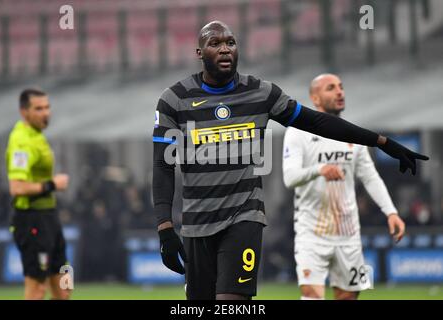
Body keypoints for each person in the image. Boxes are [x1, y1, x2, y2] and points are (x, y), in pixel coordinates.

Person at [152, 21, 428, 300]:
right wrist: (165, 228)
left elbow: (318, 122)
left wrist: (381, 141)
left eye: (230, 43)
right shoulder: (174, 100)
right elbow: (163, 166)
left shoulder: (261, 93)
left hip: (243, 217)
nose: (225, 49)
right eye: (215, 44)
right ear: (199, 52)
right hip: (197, 223)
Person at [283, 74, 407, 300]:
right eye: (331, 88)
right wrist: (319, 169)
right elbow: (290, 177)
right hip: (311, 232)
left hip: (348, 234)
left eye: (341, 87)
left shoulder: (353, 134)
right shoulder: (297, 132)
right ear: (315, 98)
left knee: (348, 297)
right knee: (311, 295)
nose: (340, 92)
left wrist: (391, 212)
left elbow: (370, 177)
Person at [6, 88, 71, 300]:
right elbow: (16, 187)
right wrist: (52, 185)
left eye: (47, 107)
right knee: (37, 290)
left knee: (64, 287)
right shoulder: (22, 141)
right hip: (32, 220)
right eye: (39, 108)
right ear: (24, 112)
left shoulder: (36, 135)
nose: (46, 113)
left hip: (49, 218)